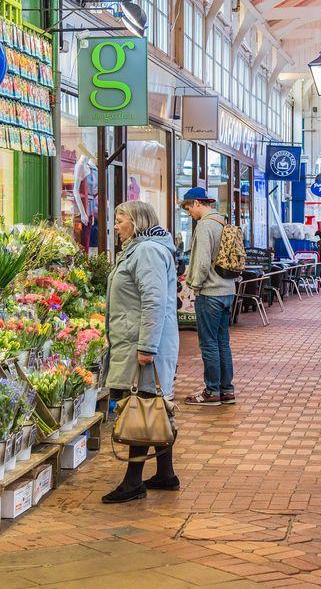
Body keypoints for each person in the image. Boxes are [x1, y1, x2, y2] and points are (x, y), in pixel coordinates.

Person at [103, 201, 181, 503]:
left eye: (120, 220)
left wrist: (147, 346)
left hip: (144, 343)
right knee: (155, 405)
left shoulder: (147, 251)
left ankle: (133, 482)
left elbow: (154, 301)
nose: (116, 226)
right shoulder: (142, 248)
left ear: (136, 222)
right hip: (136, 338)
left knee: (142, 404)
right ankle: (165, 473)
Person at [179, 187, 237, 406]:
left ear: (196, 204)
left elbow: (202, 262)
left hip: (210, 293)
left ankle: (212, 392)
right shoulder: (223, 222)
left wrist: (193, 284)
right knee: (223, 342)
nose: (189, 214)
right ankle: (227, 390)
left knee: (208, 344)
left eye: (188, 209)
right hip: (227, 290)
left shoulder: (204, 226)